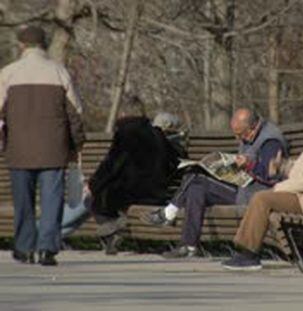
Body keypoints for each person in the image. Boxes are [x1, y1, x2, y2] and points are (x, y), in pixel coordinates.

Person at [222, 98, 303, 271]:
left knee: (263, 198)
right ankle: (245, 252)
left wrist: (281, 187)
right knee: (262, 197)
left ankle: (248, 255)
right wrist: (283, 167)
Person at [147, 108, 288, 258]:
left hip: (254, 195)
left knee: (196, 177)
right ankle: (188, 246)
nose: (238, 138)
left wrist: (249, 165)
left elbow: (271, 175)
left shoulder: (270, 142)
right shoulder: (251, 135)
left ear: (253, 127)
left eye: (240, 134)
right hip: (242, 187)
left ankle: (169, 212)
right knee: (196, 188)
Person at [0, 26, 85, 265]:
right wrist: (77, 143)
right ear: (44, 45)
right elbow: (76, 112)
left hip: (19, 150)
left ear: (22, 45)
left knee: (23, 201)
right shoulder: (59, 72)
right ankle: (47, 249)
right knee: (52, 200)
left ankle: (24, 247)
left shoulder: (8, 73)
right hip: (53, 148)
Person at [85, 115, 183, 254]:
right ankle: (112, 231)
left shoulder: (126, 136)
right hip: (158, 192)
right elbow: (174, 164)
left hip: (131, 193)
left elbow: (112, 166)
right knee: (106, 195)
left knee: (94, 198)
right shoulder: (158, 135)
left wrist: (93, 184)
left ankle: (112, 230)